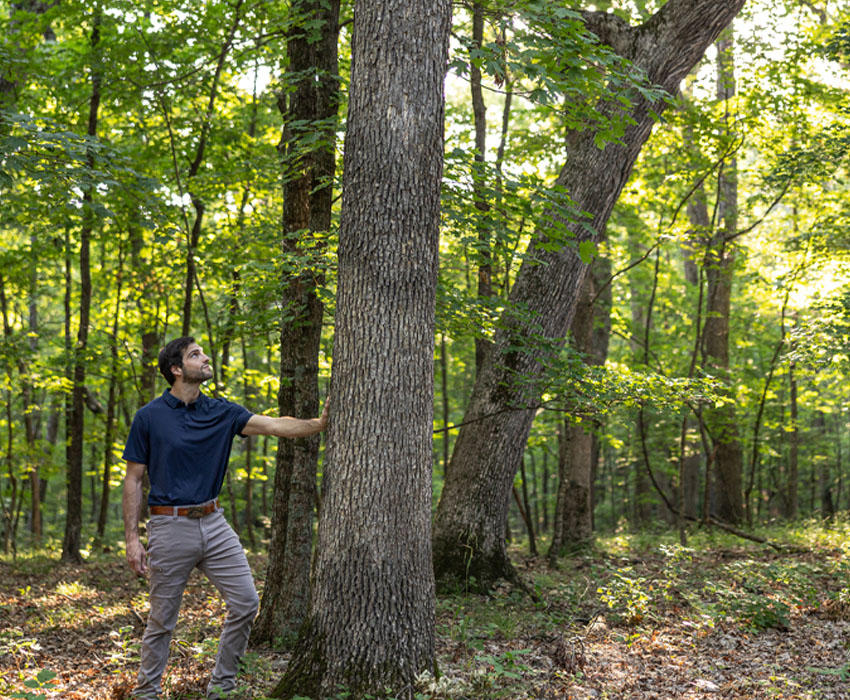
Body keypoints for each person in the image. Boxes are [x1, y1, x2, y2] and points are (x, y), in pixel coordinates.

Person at [122, 336, 328, 700]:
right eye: (194, 355)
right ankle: (146, 693)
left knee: (247, 603)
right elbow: (134, 478)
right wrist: (133, 540)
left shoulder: (221, 412)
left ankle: (221, 688)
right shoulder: (148, 417)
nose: (204, 358)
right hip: (169, 526)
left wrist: (318, 423)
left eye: (202, 352)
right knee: (161, 621)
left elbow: (274, 425)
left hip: (215, 524)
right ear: (175, 369)